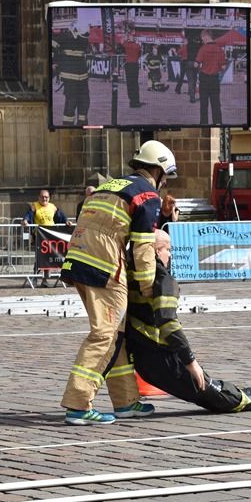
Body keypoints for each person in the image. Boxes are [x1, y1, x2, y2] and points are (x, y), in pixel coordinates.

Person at [59, 140, 176, 425]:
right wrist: (148, 289)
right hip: (105, 267)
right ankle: (78, 404)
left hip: (79, 260)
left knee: (117, 335)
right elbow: (143, 248)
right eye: (165, 176)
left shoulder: (109, 186)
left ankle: (125, 401)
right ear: (158, 170)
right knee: (105, 335)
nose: (164, 182)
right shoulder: (147, 195)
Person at [126, 230, 251, 413]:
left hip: (144, 361)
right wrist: (191, 362)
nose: (170, 255)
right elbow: (168, 324)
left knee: (214, 392)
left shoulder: (131, 275)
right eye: (168, 250)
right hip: (166, 360)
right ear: (156, 251)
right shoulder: (163, 279)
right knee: (221, 396)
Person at [22, 190, 68, 287]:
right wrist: (25, 220)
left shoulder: (52, 207)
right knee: (40, 258)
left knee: (48, 259)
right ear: (39, 197)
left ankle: (45, 280)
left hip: (50, 236)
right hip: (39, 236)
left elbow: (61, 216)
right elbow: (29, 215)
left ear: (49, 198)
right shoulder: (35, 206)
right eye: (42, 197)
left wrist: (66, 221)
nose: (44, 199)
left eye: (46, 197)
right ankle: (35, 277)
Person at [52, 24, 91, 126]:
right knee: (71, 101)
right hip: (69, 74)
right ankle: (68, 125)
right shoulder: (65, 36)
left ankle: (82, 123)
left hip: (82, 74)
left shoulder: (83, 38)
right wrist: (55, 62)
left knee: (85, 101)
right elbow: (52, 46)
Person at [195, 29, 225, 125]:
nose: (202, 40)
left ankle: (204, 124)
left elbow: (196, 64)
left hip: (204, 79)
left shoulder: (203, 49)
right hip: (214, 79)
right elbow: (223, 67)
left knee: (203, 105)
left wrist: (199, 66)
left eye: (202, 38)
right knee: (216, 104)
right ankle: (218, 123)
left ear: (206, 36)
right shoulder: (219, 49)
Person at [121, 30, 143, 108]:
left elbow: (121, 42)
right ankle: (136, 100)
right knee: (135, 83)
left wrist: (126, 36)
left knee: (129, 83)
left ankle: (132, 100)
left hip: (129, 65)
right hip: (135, 65)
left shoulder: (127, 44)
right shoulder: (138, 46)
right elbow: (139, 54)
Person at [174, 37, 198, 102]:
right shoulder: (192, 47)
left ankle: (178, 89)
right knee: (192, 78)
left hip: (184, 62)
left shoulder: (184, 47)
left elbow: (177, 53)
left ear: (185, 41)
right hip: (191, 62)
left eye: (183, 41)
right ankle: (190, 91)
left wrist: (177, 50)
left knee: (182, 76)